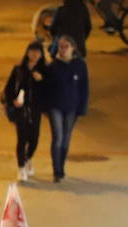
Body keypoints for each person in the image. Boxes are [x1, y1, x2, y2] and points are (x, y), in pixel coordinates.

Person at [2, 42, 49, 180]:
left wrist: (41, 80)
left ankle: (28, 158)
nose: (34, 55)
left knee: (34, 139)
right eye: (32, 51)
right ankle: (21, 167)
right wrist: (13, 101)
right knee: (22, 138)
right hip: (20, 109)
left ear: (41, 55)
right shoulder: (19, 69)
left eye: (37, 52)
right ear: (27, 53)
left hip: (35, 109)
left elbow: (50, 90)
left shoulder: (44, 70)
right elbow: (9, 88)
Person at [45, 34, 88, 182]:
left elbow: (84, 88)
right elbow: (46, 87)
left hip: (71, 107)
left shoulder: (80, 66)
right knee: (58, 137)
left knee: (66, 139)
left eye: (65, 47)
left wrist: (82, 108)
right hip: (55, 106)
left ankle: (61, 166)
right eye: (60, 47)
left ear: (73, 48)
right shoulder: (53, 66)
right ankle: (57, 170)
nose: (62, 50)